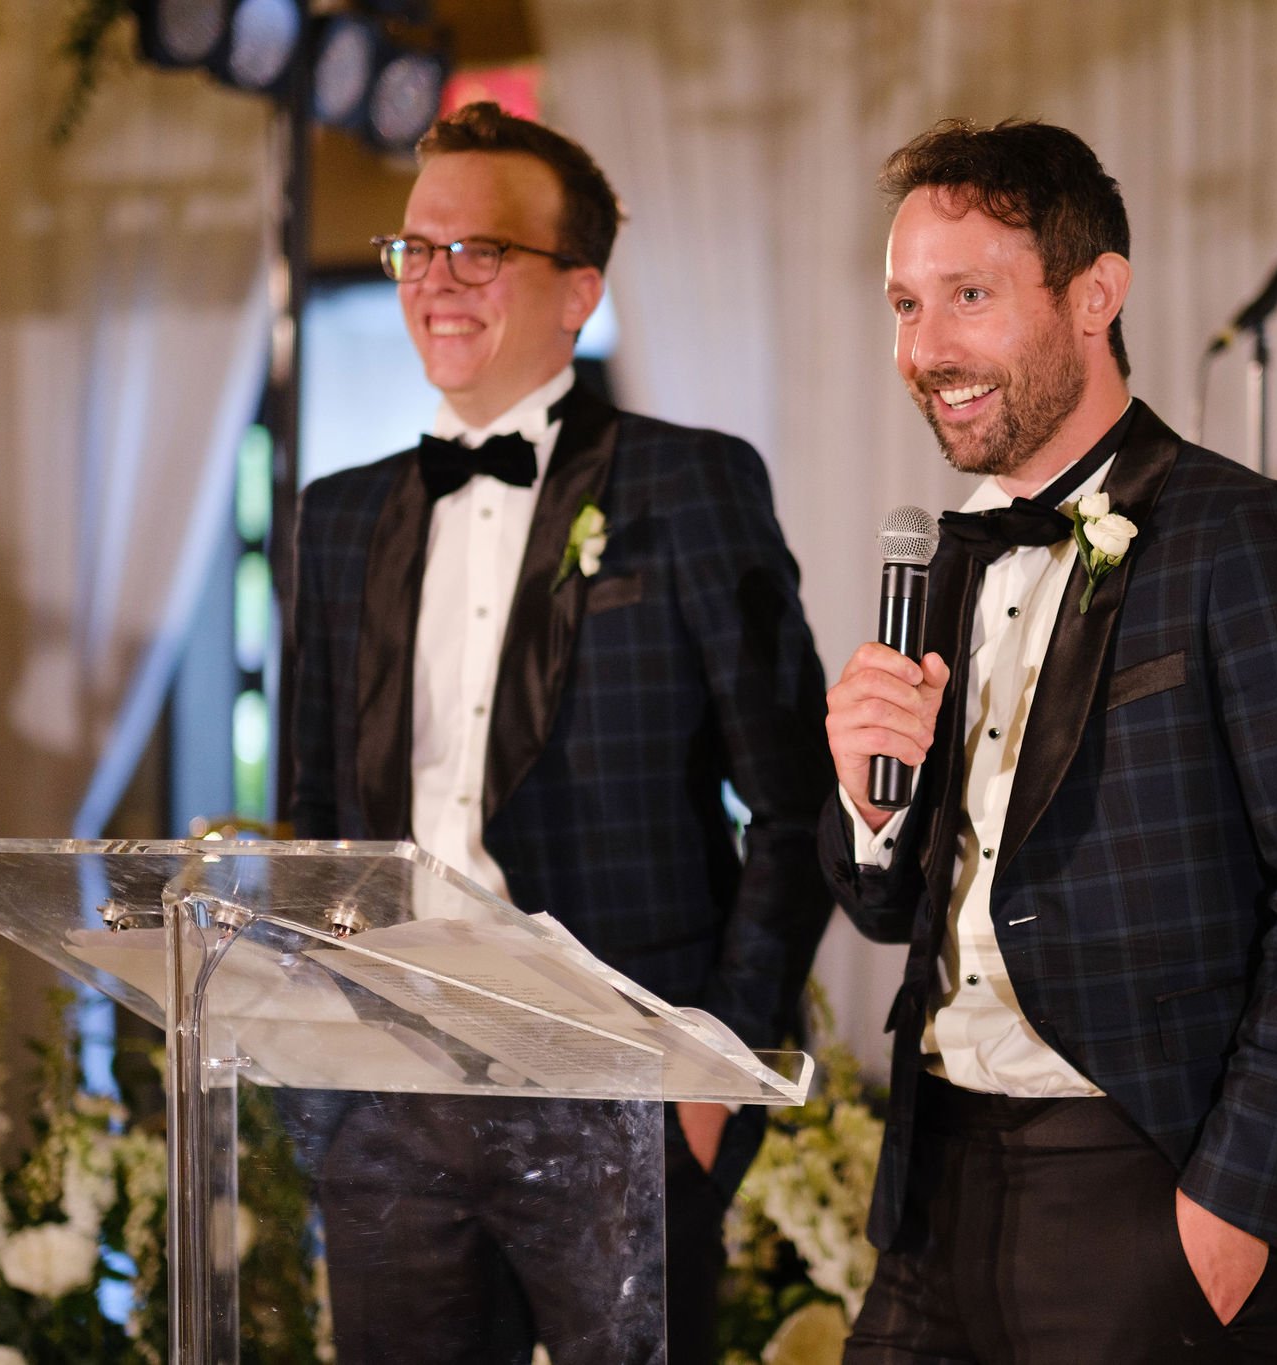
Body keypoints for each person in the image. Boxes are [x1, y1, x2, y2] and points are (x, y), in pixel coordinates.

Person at [820, 118, 1277, 1364]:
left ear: (1095, 293)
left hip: (1150, 1183)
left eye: (968, 296)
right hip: (936, 1186)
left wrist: (1233, 1212)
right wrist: (871, 807)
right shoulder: (937, 564)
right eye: (902, 306)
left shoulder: (1256, 537)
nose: (924, 350)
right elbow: (894, 917)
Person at [290, 103, 836, 1365]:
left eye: (476, 251)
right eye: (415, 250)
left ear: (576, 290)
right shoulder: (335, 518)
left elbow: (797, 806)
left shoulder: (688, 484)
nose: (435, 282)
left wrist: (713, 1074)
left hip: (621, 1086)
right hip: (392, 1096)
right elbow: (322, 811)